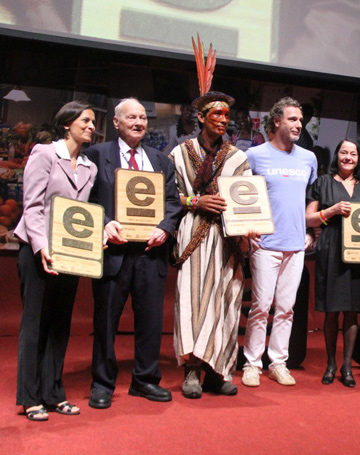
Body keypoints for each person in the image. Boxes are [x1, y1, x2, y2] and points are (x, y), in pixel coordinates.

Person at [85, 97, 181, 409]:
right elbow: (84, 198)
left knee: (151, 322)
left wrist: (165, 228)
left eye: (142, 118)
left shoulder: (160, 161)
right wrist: (104, 221)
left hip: (151, 255)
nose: (139, 123)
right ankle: (102, 383)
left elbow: (173, 203)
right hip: (113, 252)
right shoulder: (97, 155)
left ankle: (146, 380)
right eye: (131, 118)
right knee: (106, 322)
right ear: (116, 122)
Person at [14, 101, 98, 421]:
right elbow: (32, 206)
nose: (91, 126)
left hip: (70, 253)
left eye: (92, 122)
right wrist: (41, 246)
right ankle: (30, 397)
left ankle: (54, 392)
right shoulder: (44, 154)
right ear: (66, 123)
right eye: (85, 120)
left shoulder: (90, 167)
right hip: (38, 251)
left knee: (60, 325)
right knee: (35, 325)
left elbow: (83, 215)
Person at [170, 91, 256, 398]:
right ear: (202, 117)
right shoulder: (180, 154)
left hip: (228, 238)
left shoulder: (237, 157)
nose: (223, 120)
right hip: (193, 233)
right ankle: (192, 370)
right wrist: (196, 200)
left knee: (226, 301)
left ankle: (219, 370)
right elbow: (169, 197)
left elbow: (248, 198)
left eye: (227, 115)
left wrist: (250, 227)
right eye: (217, 114)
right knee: (193, 301)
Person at [241, 97, 317, 387]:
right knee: (261, 306)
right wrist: (247, 229)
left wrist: (310, 232)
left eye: (300, 120)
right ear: (276, 122)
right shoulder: (255, 156)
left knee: (286, 308)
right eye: (293, 119)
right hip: (265, 244)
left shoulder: (309, 158)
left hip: (296, 246)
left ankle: (279, 363)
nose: (299, 124)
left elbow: (310, 199)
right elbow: (242, 196)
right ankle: (252, 364)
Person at [305, 139, 360, 387]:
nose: (348, 157)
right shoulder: (322, 183)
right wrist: (332, 211)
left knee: (352, 311)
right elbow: (309, 219)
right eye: (344, 152)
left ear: (359, 158)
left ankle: (347, 367)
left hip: (359, 254)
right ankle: (330, 364)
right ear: (337, 156)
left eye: (353, 153)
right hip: (332, 249)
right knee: (332, 311)